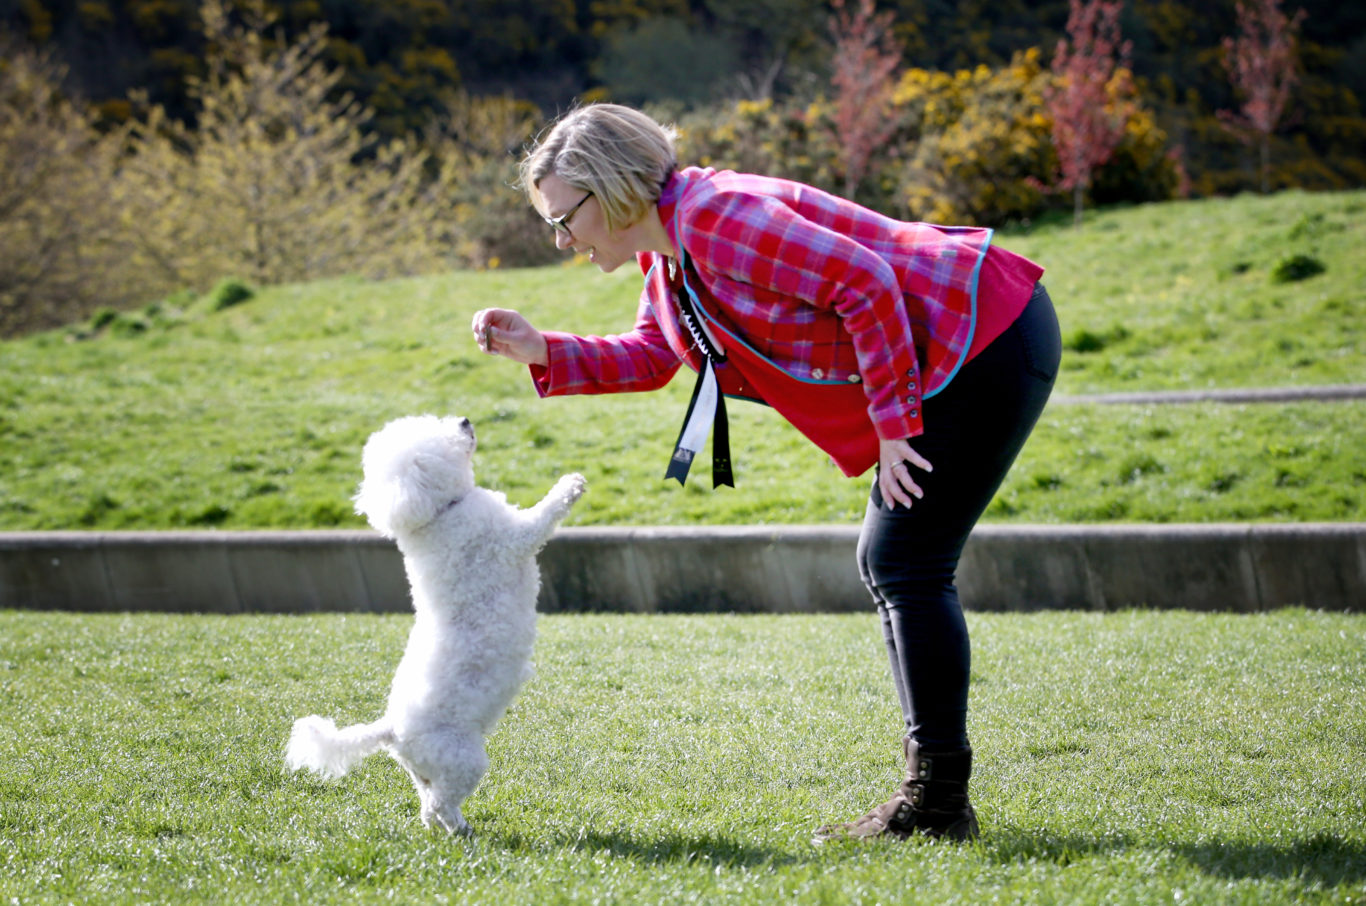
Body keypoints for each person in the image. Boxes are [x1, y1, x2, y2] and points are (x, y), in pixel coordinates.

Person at [471, 103, 1061, 843]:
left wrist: (894, 425)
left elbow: (866, 285)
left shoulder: (717, 218)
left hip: (980, 334)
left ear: (614, 188)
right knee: (898, 562)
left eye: (566, 218)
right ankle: (937, 800)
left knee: (903, 560)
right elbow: (657, 356)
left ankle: (937, 805)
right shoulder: (668, 256)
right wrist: (542, 350)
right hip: (958, 347)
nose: (563, 240)